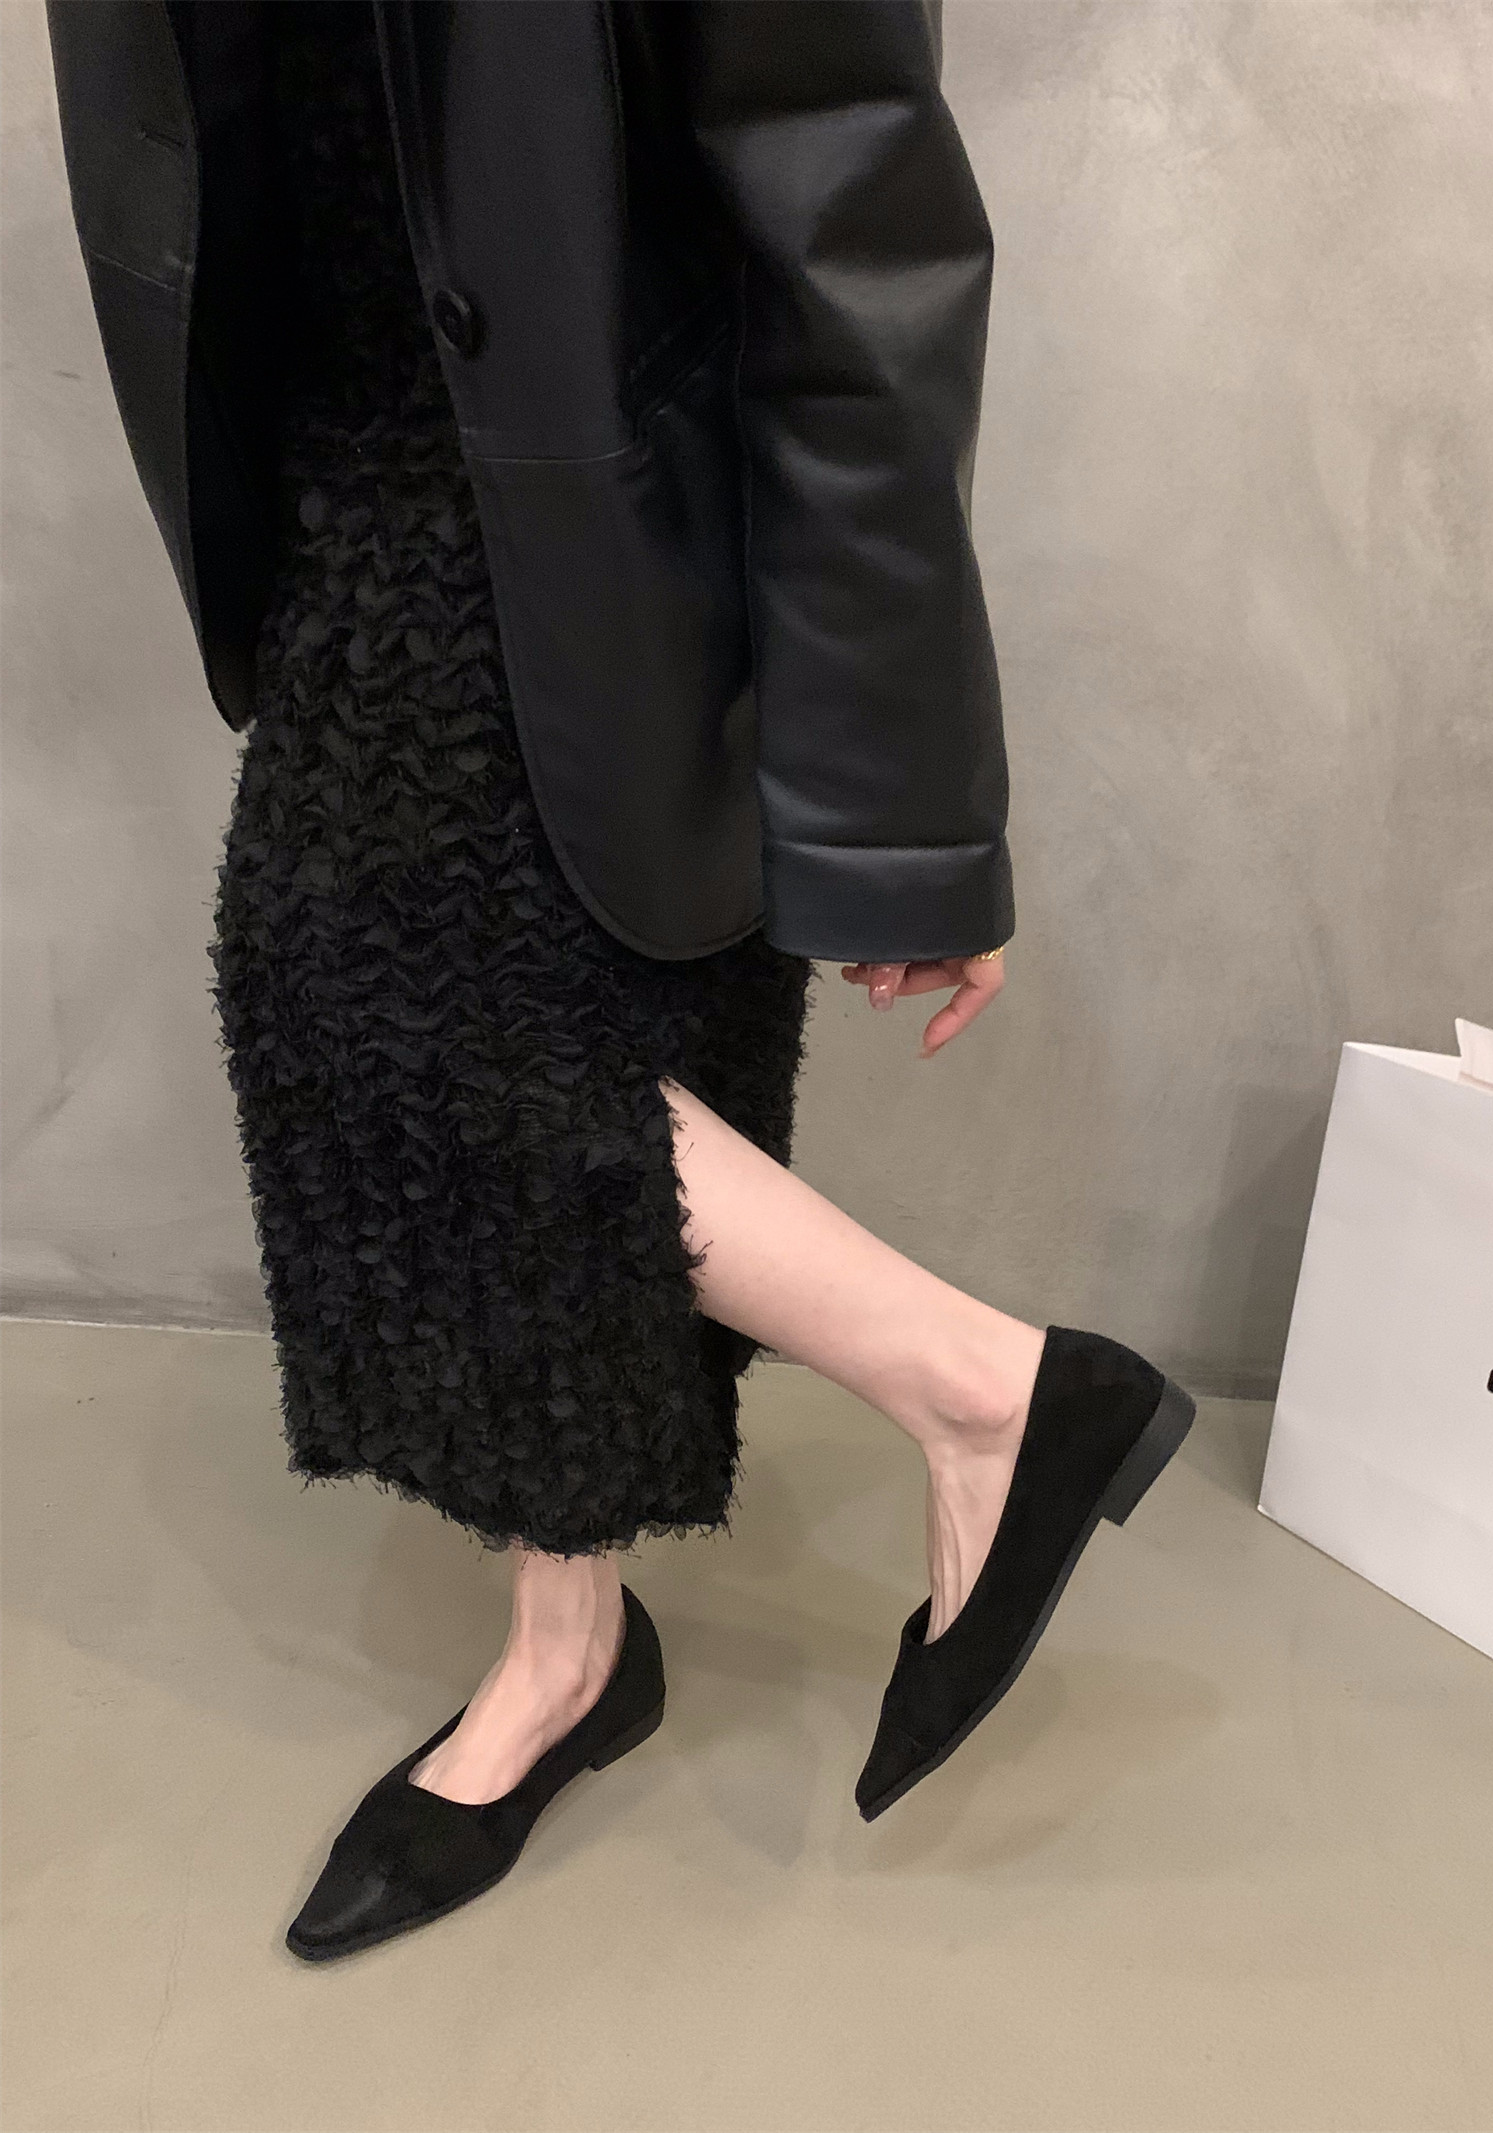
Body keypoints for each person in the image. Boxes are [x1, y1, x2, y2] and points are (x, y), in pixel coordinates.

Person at [46, 0, 1194, 1963]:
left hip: (592, 491)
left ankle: (991, 1398)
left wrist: (901, 807)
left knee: (432, 1027)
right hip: (343, 442)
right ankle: (576, 1639)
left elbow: (854, 214)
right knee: (403, 1013)